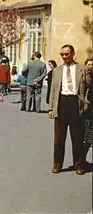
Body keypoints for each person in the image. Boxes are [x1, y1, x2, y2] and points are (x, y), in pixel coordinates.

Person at [48, 45, 90, 175]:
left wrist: (87, 104)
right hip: (61, 103)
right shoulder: (57, 70)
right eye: (62, 55)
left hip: (76, 104)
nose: (64, 57)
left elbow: (88, 87)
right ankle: (57, 164)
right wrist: (51, 108)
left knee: (77, 137)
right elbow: (53, 91)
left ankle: (78, 164)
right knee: (59, 138)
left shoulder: (82, 69)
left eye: (66, 54)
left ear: (72, 54)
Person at [83, 58, 93, 165]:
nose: (90, 67)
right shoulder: (82, 78)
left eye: (92, 65)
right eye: (88, 65)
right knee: (87, 139)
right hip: (88, 111)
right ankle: (82, 159)